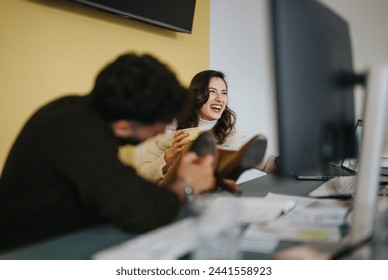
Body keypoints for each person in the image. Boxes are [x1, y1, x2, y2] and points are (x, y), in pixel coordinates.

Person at [0, 53, 216, 253]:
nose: (161, 130)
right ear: (123, 126)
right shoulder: (78, 132)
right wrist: (185, 185)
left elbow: (119, 186)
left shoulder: (71, 110)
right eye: (158, 126)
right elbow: (138, 209)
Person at [139, 70, 278, 185]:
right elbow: (144, 175)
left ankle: (223, 160)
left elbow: (263, 161)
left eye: (224, 93)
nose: (220, 98)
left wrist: (284, 162)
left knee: (230, 160)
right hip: (173, 197)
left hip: (212, 199)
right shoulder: (168, 128)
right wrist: (171, 153)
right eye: (213, 91)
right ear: (197, 95)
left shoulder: (229, 132)